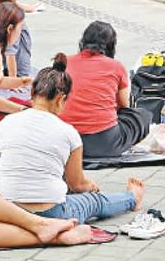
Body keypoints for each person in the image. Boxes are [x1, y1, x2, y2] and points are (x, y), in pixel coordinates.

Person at [0, 54, 145, 224]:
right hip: (50, 212)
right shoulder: (68, 133)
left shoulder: (6, 123)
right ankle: (132, 197)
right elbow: (77, 185)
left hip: (7, 209)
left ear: (32, 93)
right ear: (61, 99)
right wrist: (90, 187)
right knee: (95, 202)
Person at [59, 21, 152, 158]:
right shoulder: (116, 66)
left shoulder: (63, 63)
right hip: (104, 144)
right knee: (142, 116)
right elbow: (124, 106)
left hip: (64, 143)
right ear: (111, 45)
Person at [0, 3, 32, 115]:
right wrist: (24, 111)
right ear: (10, 29)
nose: (19, 34)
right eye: (20, 29)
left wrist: (25, 81)